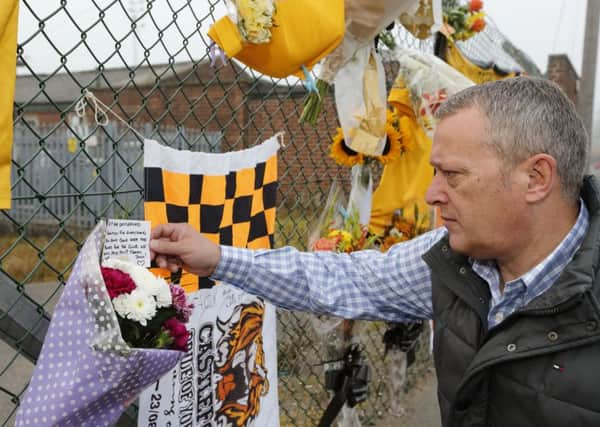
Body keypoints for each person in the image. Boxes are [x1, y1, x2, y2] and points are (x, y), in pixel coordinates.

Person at [150, 77, 600, 427]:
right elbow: (342, 279)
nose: (431, 195)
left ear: (536, 178)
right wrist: (218, 258)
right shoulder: (451, 262)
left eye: (453, 175)